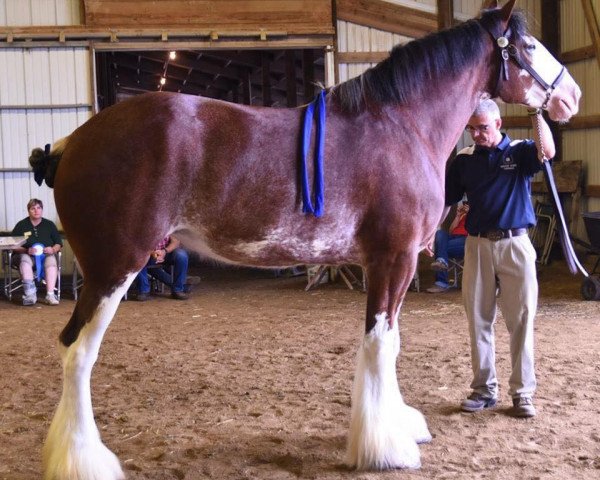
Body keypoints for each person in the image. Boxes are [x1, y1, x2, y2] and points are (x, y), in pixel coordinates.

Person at [445, 99, 556, 418]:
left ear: (498, 123)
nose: (476, 134)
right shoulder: (464, 160)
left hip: (515, 245)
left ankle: (522, 394)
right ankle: (483, 389)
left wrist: (536, 114)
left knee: (521, 320)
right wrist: (428, 233)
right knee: (478, 319)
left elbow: (546, 151)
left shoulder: (520, 152)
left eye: (482, 127)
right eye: (471, 128)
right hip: (477, 246)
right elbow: (448, 200)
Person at [11, 198, 62, 306]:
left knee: (52, 262)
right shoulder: (21, 225)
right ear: (28, 211)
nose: (36, 210)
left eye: (39, 208)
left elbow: (58, 243)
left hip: (46, 255)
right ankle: (30, 295)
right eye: (33, 208)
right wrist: (26, 250)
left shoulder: (49, 225)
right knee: (24, 261)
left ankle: (50, 295)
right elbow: (13, 246)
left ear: (42, 210)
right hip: (26, 255)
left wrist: (52, 249)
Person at [426, 201, 469, 293]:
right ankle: (441, 260)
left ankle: (441, 282)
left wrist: (471, 214)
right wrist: (458, 216)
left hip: (467, 240)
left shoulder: (479, 215)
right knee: (440, 233)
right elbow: (451, 231)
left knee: (440, 248)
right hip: (453, 239)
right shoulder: (463, 215)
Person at [136, 235, 190, 301]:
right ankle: (143, 291)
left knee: (182, 255)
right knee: (137, 258)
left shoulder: (167, 225)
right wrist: (152, 252)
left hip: (166, 252)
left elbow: (176, 241)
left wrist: (164, 251)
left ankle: (178, 290)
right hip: (148, 254)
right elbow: (137, 244)